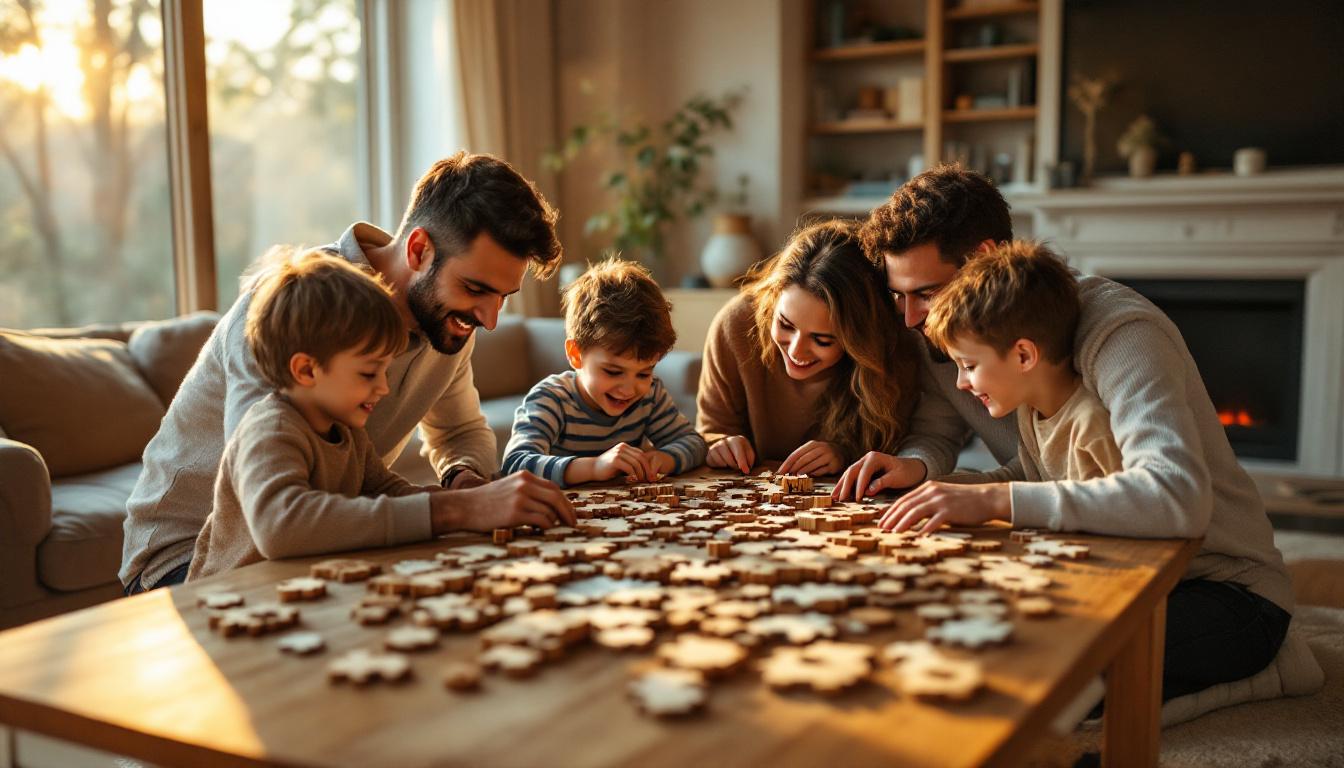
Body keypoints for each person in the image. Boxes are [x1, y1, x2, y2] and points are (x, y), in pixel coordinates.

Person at [841, 164, 1292, 702]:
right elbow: (993, 456)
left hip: (1221, 586)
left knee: (1032, 674)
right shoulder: (942, 335)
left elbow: (1176, 497)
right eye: (900, 297)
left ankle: (1271, 673)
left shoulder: (1119, 331)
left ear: (984, 257)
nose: (910, 318)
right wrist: (923, 482)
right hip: (1105, 563)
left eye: (926, 293)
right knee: (944, 627)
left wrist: (993, 498)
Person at [121, 152, 575, 594]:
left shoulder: (449, 321)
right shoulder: (294, 308)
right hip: (189, 561)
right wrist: (456, 511)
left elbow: (458, 432)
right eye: (475, 288)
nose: (490, 318)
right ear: (418, 249)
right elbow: (265, 507)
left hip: (304, 540)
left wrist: (471, 490)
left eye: (503, 296)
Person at [189, 250, 444, 580]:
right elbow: (281, 526)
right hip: (230, 597)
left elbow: (384, 489)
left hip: (293, 588)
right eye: (369, 373)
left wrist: (464, 502)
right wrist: (443, 513)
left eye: (385, 371)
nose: (383, 387)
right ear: (306, 370)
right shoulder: (270, 429)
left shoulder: (346, 430)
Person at [696, 220, 919, 477]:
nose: (796, 352)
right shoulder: (735, 325)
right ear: (774, 297)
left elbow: (896, 454)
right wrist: (720, 445)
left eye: (822, 340)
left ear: (858, 340)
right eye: (785, 325)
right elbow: (711, 430)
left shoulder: (893, 350)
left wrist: (843, 454)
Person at [501, 259, 707, 487]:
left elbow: (693, 443)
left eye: (643, 374)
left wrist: (662, 459)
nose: (629, 389)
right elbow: (515, 464)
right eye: (613, 372)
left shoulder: (650, 396)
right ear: (576, 354)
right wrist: (594, 467)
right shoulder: (551, 399)